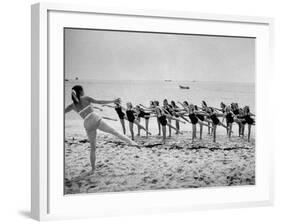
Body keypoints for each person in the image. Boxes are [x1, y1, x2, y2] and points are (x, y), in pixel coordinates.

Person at [65, 85, 139, 177]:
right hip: (94, 118)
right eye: (83, 90)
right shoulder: (86, 98)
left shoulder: (72, 106)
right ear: (80, 91)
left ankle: (92, 169)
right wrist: (113, 101)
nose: (84, 92)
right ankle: (132, 142)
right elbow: (99, 101)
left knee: (93, 148)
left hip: (87, 124)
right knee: (114, 132)